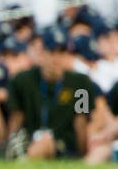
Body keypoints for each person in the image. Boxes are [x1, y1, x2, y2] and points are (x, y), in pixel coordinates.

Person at [6, 25, 93, 159]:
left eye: (62, 53)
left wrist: (83, 155)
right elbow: (16, 117)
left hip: (64, 144)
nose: (57, 58)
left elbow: (81, 123)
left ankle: (23, 165)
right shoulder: (22, 80)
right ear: (42, 54)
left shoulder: (81, 83)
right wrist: (10, 146)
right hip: (30, 139)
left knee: (46, 142)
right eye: (52, 52)